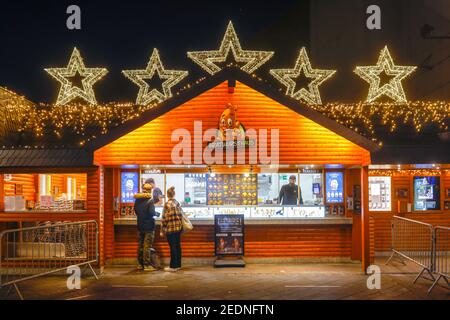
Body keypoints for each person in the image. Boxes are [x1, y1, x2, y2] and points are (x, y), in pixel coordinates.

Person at [134, 182, 157, 271]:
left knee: (140, 245)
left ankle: (140, 264)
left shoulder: (138, 199)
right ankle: (147, 265)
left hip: (140, 225)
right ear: (149, 190)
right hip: (149, 226)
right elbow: (152, 213)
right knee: (147, 245)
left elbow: (136, 211)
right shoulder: (150, 200)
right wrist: (155, 214)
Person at [161, 186, 183, 272]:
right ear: (174, 194)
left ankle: (173, 267)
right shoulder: (177, 203)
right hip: (178, 228)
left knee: (172, 246)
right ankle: (178, 265)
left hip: (170, 228)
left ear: (167, 195)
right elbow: (181, 215)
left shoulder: (167, 204)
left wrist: (162, 229)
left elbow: (164, 218)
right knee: (178, 246)